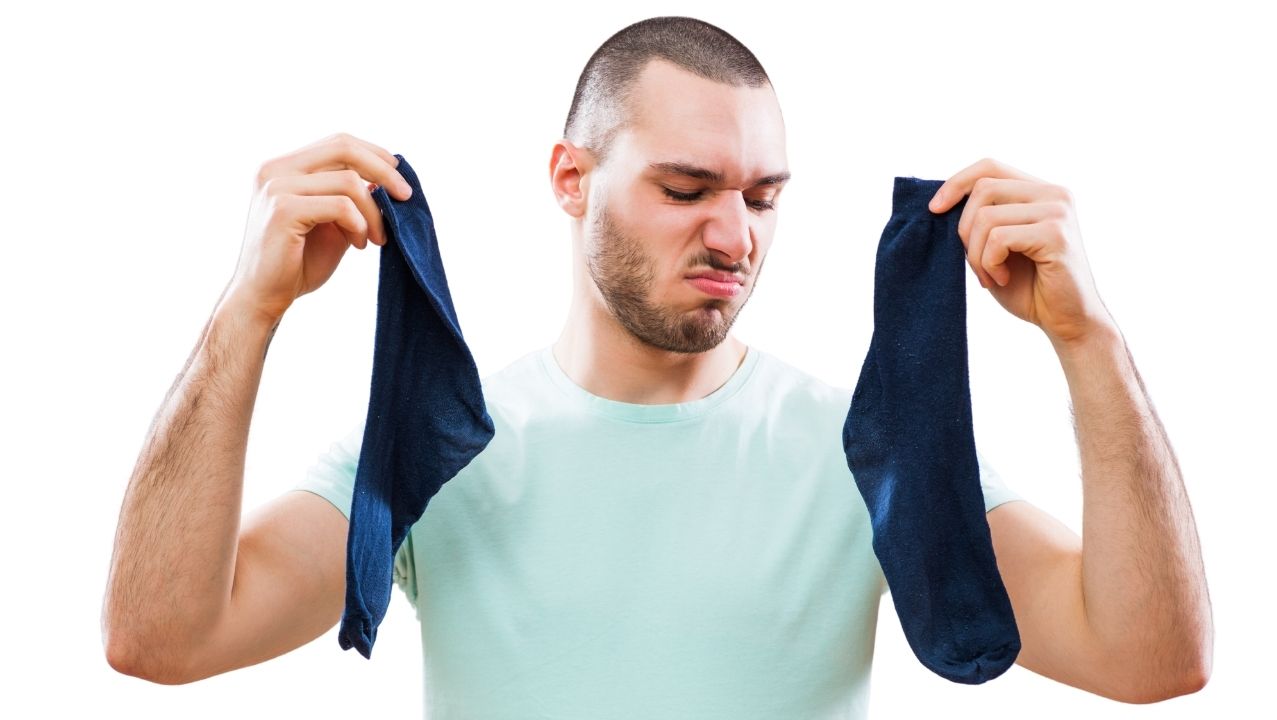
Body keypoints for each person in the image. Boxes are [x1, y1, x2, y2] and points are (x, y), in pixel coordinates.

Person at [101, 15, 1212, 717]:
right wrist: (246, 312)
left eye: (762, 198)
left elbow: (1146, 661)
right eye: (686, 190)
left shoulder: (868, 453)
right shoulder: (438, 445)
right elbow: (162, 638)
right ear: (569, 176)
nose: (733, 236)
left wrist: (1090, 341)